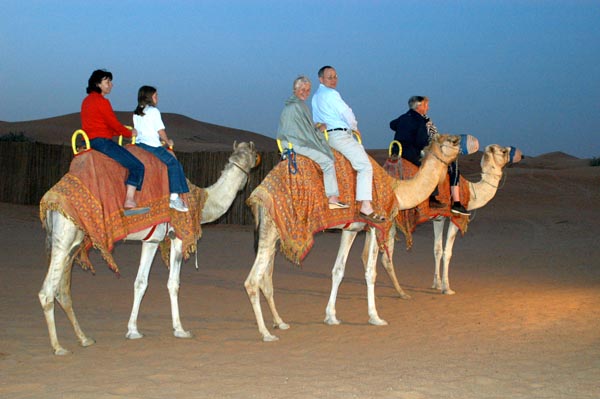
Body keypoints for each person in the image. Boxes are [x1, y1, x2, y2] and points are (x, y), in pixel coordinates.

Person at [311, 66, 384, 223]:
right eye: (329, 77)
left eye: (335, 76)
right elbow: (347, 114)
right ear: (321, 79)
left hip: (325, 137)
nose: (333, 79)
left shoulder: (315, 97)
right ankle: (365, 205)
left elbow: (317, 121)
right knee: (365, 166)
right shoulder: (331, 94)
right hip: (339, 135)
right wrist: (355, 128)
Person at [80, 69, 148, 216]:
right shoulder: (102, 101)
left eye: (110, 81)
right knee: (138, 166)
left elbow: (103, 126)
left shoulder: (86, 101)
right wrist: (130, 133)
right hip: (103, 143)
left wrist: (119, 132)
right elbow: (113, 123)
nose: (111, 85)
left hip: (91, 142)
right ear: (98, 84)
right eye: (107, 82)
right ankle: (129, 201)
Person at [389, 96, 471, 215]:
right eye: (426, 105)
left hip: (397, 152)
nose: (428, 108)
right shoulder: (422, 121)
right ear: (419, 106)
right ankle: (451, 202)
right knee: (449, 167)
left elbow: (392, 124)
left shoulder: (403, 117)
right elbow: (422, 142)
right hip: (412, 154)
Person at [277, 76, 348, 210]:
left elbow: (303, 128)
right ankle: (333, 198)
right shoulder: (298, 106)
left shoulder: (292, 105)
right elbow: (305, 133)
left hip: (289, 142)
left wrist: (314, 128)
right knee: (327, 161)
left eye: (308, 90)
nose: (305, 92)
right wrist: (319, 131)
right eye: (302, 89)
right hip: (295, 144)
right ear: (295, 89)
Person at [133, 86, 189, 212]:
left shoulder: (137, 112)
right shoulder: (154, 111)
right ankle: (174, 197)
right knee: (174, 164)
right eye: (155, 95)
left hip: (139, 144)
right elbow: (160, 131)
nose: (157, 98)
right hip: (152, 145)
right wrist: (167, 141)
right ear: (149, 97)